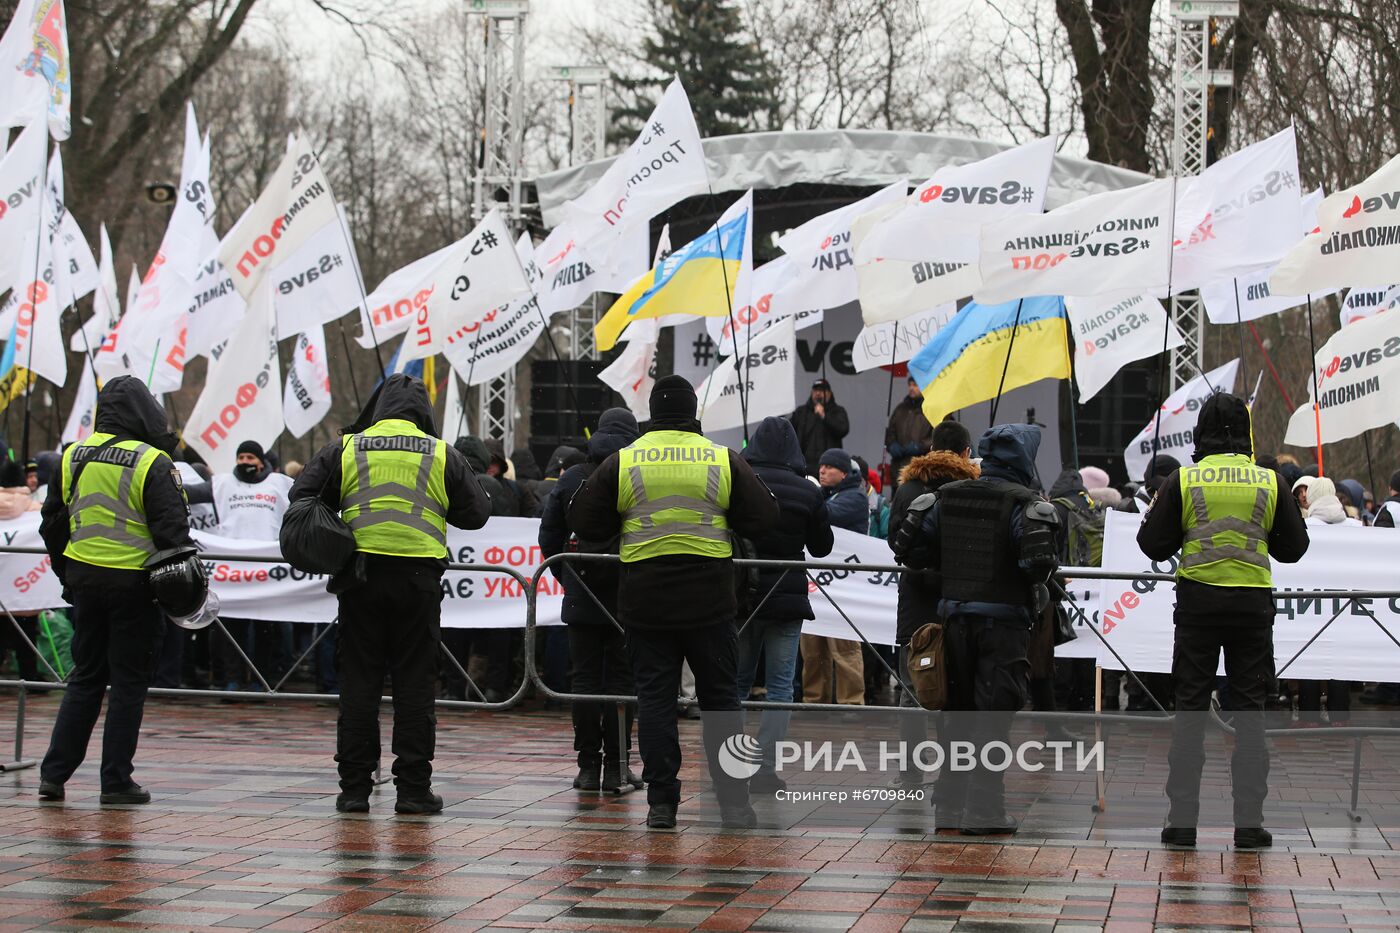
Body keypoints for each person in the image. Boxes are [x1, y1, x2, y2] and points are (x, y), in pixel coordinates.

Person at [568, 375, 779, 830]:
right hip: (711, 602)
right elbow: (765, 516)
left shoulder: (626, 460)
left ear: (653, 412)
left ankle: (662, 804)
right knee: (722, 703)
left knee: (657, 702)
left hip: (646, 603)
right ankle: (734, 803)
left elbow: (582, 519)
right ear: (692, 411)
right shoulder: (722, 459)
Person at [290, 374, 492, 815]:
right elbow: (477, 514)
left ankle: (354, 790)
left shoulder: (346, 448)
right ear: (423, 411)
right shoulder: (443, 454)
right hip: (418, 583)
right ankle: (414, 790)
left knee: (359, 685)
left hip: (359, 581)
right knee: (415, 686)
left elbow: (302, 497)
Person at [1137, 392, 1309, 849]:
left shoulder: (1184, 479)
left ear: (1201, 432)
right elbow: (1294, 549)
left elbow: (1152, 545)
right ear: (1247, 432)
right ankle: (1249, 824)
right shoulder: (1269, 481)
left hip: (1197, 606)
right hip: (1252, 609)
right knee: (1250, 714)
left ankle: (1182, 822)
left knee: (1190, 711)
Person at [35, 376, 196, 805]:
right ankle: (115, 781)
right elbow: (174, 533)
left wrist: (67, 574)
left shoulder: (71, 457)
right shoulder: (152, 461)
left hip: (85, 583)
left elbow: (52, 522)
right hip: (136, 588)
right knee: (127, 685)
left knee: (84, 679)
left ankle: (53, 776)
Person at [906, 423, 1059, 835]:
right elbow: (1037, 564)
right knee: (993, 719)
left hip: (954, 621)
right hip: (1003, 625)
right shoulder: (1023, 503)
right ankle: (985, 810)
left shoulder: (945, 497)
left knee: (956, 717)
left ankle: (949, 808)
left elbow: (909, 547)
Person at [538, 409, 643, 794]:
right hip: (628, 594)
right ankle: (617, 767)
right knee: (621, 680)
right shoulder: (636, 475)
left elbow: (548, 539)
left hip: (581, 594)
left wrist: (567, 578)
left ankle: (587, 767)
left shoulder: (570, 478)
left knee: (583, 680)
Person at [735, 416, 834, 793]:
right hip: (787, 597)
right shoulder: (806, 490)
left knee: (737, 684)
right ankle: (765, 770)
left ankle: (730, 763)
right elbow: (821, 546)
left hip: (742, 595)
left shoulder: (741, 483)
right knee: (780, 687)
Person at [887, 419, 978, 786]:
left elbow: (895, 541)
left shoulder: (909, 487)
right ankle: (953, 773)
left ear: (930, 447)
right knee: (956, 690)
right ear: (966, 453)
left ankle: (911, 772)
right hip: (959, 602)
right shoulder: (974, 488)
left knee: (914, 689)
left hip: (916, 606)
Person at [447, 435, 518, 702]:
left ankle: (454, 688)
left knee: (454, 629)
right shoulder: (500, 489)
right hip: (494, 574)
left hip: (458, 575)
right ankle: (494, 688)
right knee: (497, 630)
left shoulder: (450, 485)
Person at [800, 448, 867, 706]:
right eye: (821, 466)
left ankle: (852, 702)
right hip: (818, 585)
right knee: (813, 648)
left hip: (843, 586)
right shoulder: (828, 496)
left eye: (829, 467)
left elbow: (825, 515)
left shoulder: (855, 498)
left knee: (845, 648)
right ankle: (814, 699)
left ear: (843, 472)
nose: (822, 470)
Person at [789, 379, 850, 475]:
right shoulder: (801, 412)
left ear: (829, 393)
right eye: (815, 390)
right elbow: (789, 432)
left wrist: (824, 416)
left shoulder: (838, 411)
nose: (818, 393)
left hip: (828, 467)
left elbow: (843, 429)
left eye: (821, 391)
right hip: (803, 466)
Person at [885, 378, 934, 490]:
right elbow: (890, 432)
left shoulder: (931, 408)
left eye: (915, 385)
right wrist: (892, 444)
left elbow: (939, 436)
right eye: (910, 385)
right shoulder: (900, 409)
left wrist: (921, 446)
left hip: (922, 470)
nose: (911, 388)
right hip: (899, 468)